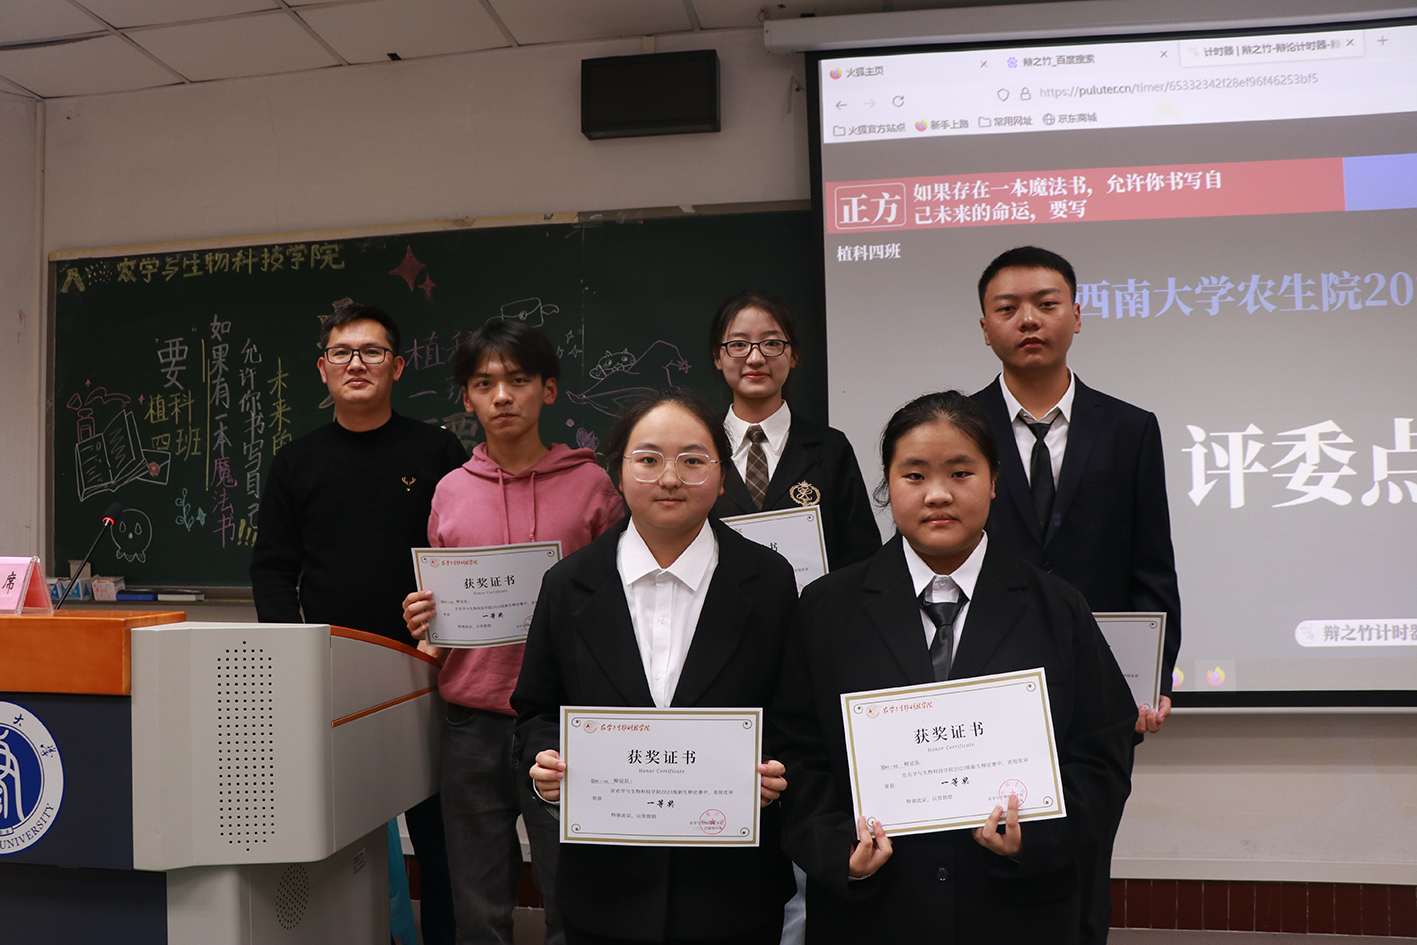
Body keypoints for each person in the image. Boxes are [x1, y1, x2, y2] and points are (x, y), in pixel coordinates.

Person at [771, 390, 1136, 945]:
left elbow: (1101, 751)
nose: (938, 494)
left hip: (1017, 910)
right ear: (887, 484)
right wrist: (837, 846)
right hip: (873, 911)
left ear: (993, 481)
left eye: (961, 473)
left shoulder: (1056, 607)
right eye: (914, 475)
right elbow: (797, 750)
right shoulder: (826, 609)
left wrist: (1035, 839)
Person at [512, 389, 798, 945]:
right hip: (606, 888)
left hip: (732, 887)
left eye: (693, 460)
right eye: (648, 459)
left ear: (722, 476)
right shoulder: (568, 584)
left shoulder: (768, 580)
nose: (670, 478)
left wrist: (775, 770)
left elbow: (792, 712)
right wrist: (544, 763)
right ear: (617, 474)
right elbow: (536, 711)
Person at [970, 246, 1183, 942]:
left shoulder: (1130, 427)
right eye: (1007, 308)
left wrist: (1150, 682)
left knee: (1085, 874)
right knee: (983, 867)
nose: (1028, 319)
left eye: (1046, 303)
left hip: (1097, 696)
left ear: (1077, 316)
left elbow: (1152, 569)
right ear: (984, 327)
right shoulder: (957, 426)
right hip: (985, 687)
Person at [401, 321, 625, 945]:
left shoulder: (593, 486)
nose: (502, 396)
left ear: (548, 390)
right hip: (470, 720)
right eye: (484, 384)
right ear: (467, 398)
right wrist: (427, 619)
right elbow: (444, 610)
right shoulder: (450, 491)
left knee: (569, 894)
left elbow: (617, 603)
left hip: (562, 720)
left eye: (518, 380)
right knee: (477, 904)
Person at [251, 303, 467, 945]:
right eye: (341, 353)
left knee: (441, 840)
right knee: (340, 835)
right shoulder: (296, 461)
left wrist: (446, 635)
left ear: (397, 367)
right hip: (333, 678)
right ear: (322, 369)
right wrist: (294, 659)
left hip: (428, 673)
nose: (356, 364)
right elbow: (272, 569)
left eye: (372, 352)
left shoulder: (437, 450)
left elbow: (465, 554)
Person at [709, 290, 880, 572]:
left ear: (794, 355)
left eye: (771, 343)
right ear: (718, 356)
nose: (755, 358)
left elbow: (862, 558)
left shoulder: (830, 448)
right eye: (738, 344)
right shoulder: (699, 448)